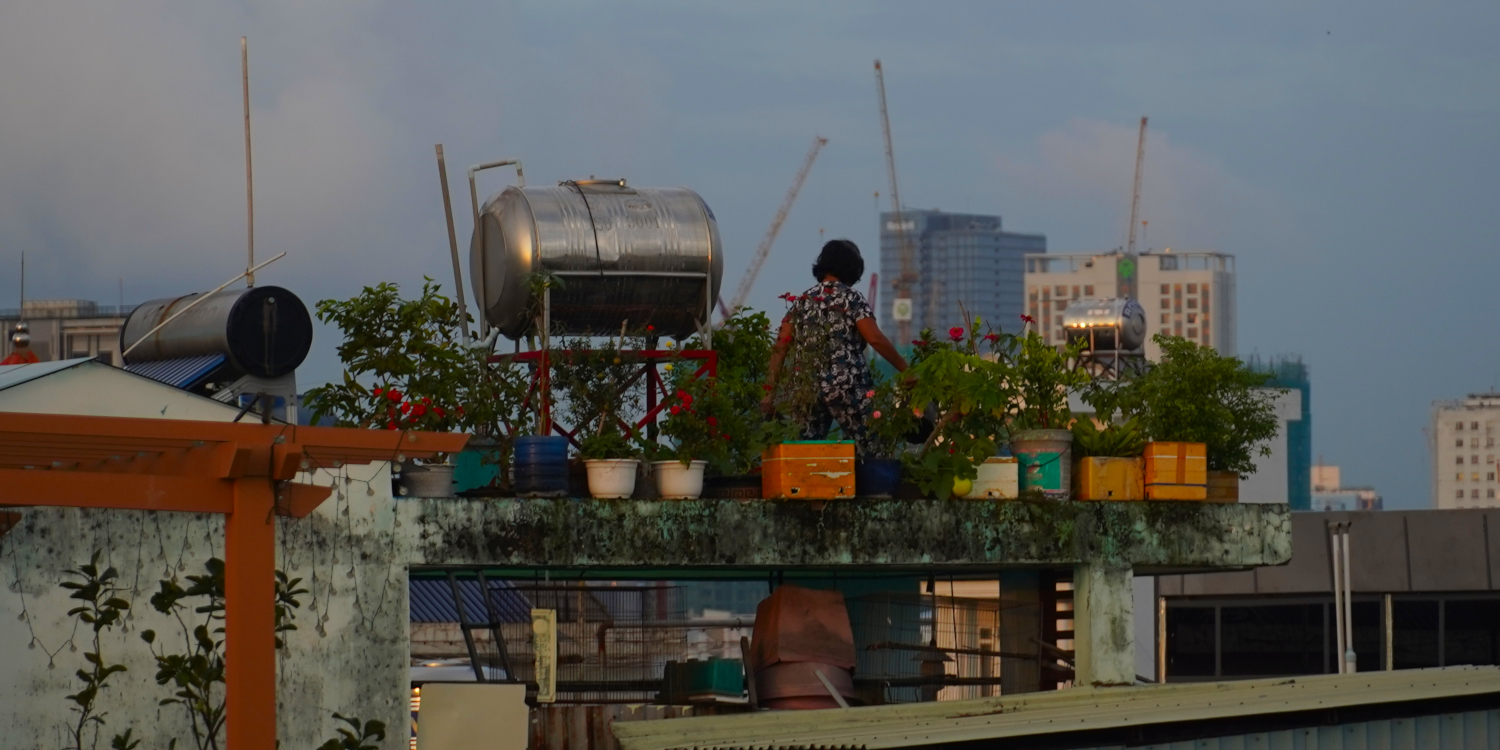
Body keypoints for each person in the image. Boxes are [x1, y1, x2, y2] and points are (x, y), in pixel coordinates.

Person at [761, 239, 908, 455]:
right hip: (847, 385)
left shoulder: (802, 302)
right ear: (852, 268)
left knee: (805, 452)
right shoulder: (851, 298)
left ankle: (812, 487)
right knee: (870, 446)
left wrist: (769, 393)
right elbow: (875, 338)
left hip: (808, 388)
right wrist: (906, 369)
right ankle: (873, 487)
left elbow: (780, 346)